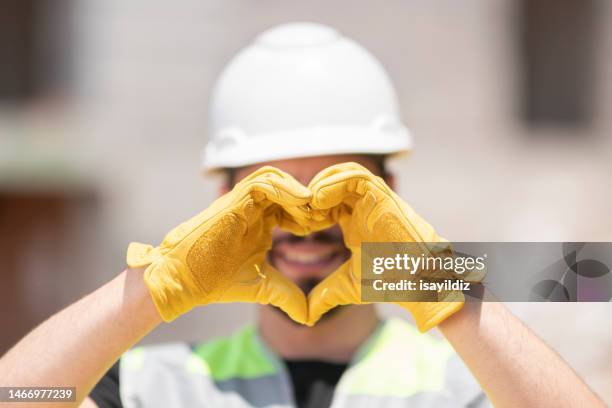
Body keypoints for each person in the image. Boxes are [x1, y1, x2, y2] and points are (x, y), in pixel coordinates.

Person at [0, 23, 604, 408]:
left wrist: (439, 286)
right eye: (268, 198)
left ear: (391, 196)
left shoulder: (465, 384)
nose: (305, 222)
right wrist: (154, 287)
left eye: (341, 195)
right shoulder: (153, 387)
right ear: (221, 202)